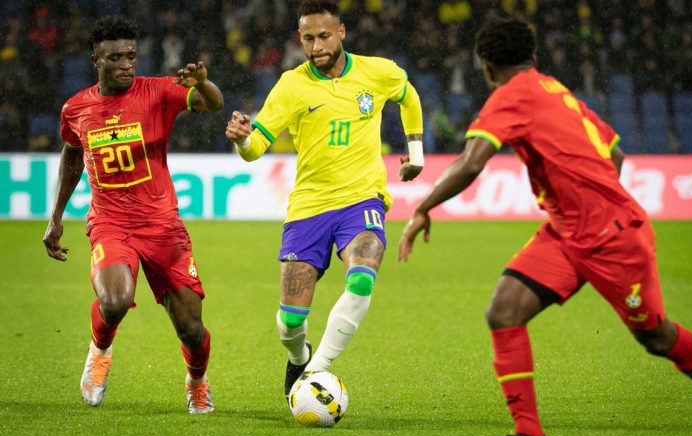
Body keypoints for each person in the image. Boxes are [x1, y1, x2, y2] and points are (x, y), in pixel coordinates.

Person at [398, 16, 692, 436]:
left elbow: (471, 162)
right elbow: (614, 155)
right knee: (504, 311)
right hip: (567, 233)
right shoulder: (554, 89)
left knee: (655, 336)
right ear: (534, 56)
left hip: (614, 239)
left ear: (486, 68)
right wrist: (577, 204)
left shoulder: (509, 98)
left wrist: (422, 208)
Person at [224, 0, 424, 400]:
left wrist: (416, 152)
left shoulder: (377, 72)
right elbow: (257, 146)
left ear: (342, 32)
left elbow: (409, 95)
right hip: (309, 208)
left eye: (323, 36)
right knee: (289, 323)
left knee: (363, 275)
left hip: (361, 198)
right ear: (300, 39)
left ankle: (314, 373)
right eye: (308, 38)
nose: (315, 46)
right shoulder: (291, 85)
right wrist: (243, 139)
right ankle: (300, 357)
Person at [42, 16, 224, 414]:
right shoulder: (76, 109)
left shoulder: (158, 91)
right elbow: (73, 154)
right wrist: (55, 216)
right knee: (116, 299)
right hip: (110, 223)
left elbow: (213, 104)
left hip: (162, 225)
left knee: (192, 329)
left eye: (131, 56)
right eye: (115, 57)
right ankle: (99, 351)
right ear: (96, 60)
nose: (126, 64)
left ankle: (197, 381)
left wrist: (203, 84)